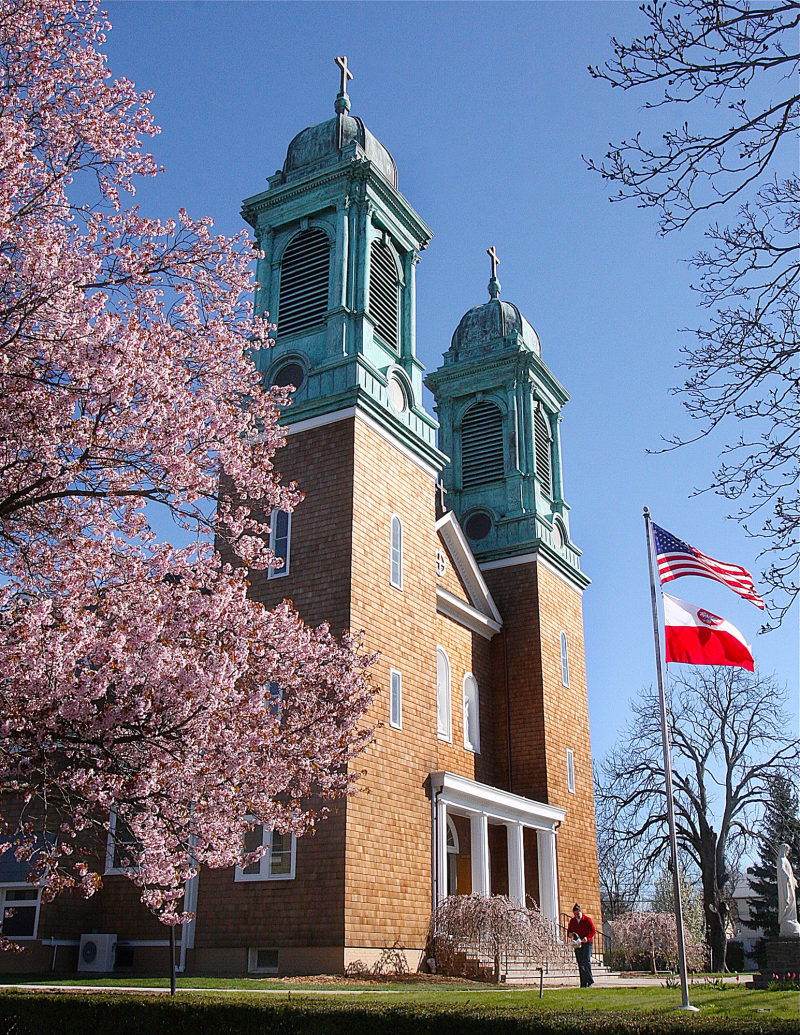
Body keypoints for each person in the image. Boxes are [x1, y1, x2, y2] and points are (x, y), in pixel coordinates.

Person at [567, 903, 596, 987]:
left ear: (581, 912)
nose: (577, 916)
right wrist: (570, 934)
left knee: (586, 960)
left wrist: (587, 937)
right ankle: (583, 983)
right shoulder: (572, 921)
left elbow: (593, 931)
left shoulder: (587, 920)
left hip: (587, 942)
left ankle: (589, 980)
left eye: (578, 914)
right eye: (575, 914)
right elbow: (569, 931)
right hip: (578, 943)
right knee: (580, 962)